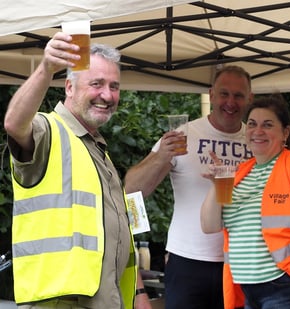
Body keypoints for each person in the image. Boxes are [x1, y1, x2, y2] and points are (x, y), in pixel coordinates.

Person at [4, 31, 151, 309]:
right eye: (96, 83)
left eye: (114, 86)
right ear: (69, 88)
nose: (107, 95)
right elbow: (14, 124)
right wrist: (46, 69)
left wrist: (138, 296)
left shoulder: (98, 150)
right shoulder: (49, 130)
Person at [124, 65, 254, 309]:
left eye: (238, 95)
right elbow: (132, 189)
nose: (230, 102)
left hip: (243, 262)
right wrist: (161, 155)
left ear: (250, 98)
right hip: (187, 261)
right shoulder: (184, 135)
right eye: (224, 94)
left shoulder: (256, 141)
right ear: (212, 94)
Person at [201, 94, 290, 309]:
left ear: (285, 132)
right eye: (252, 124)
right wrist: (219, 184)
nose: (257, 131)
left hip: (289, 286)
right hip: (249, 290)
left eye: (267, 125)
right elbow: (209, 225)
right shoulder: (240, 173)